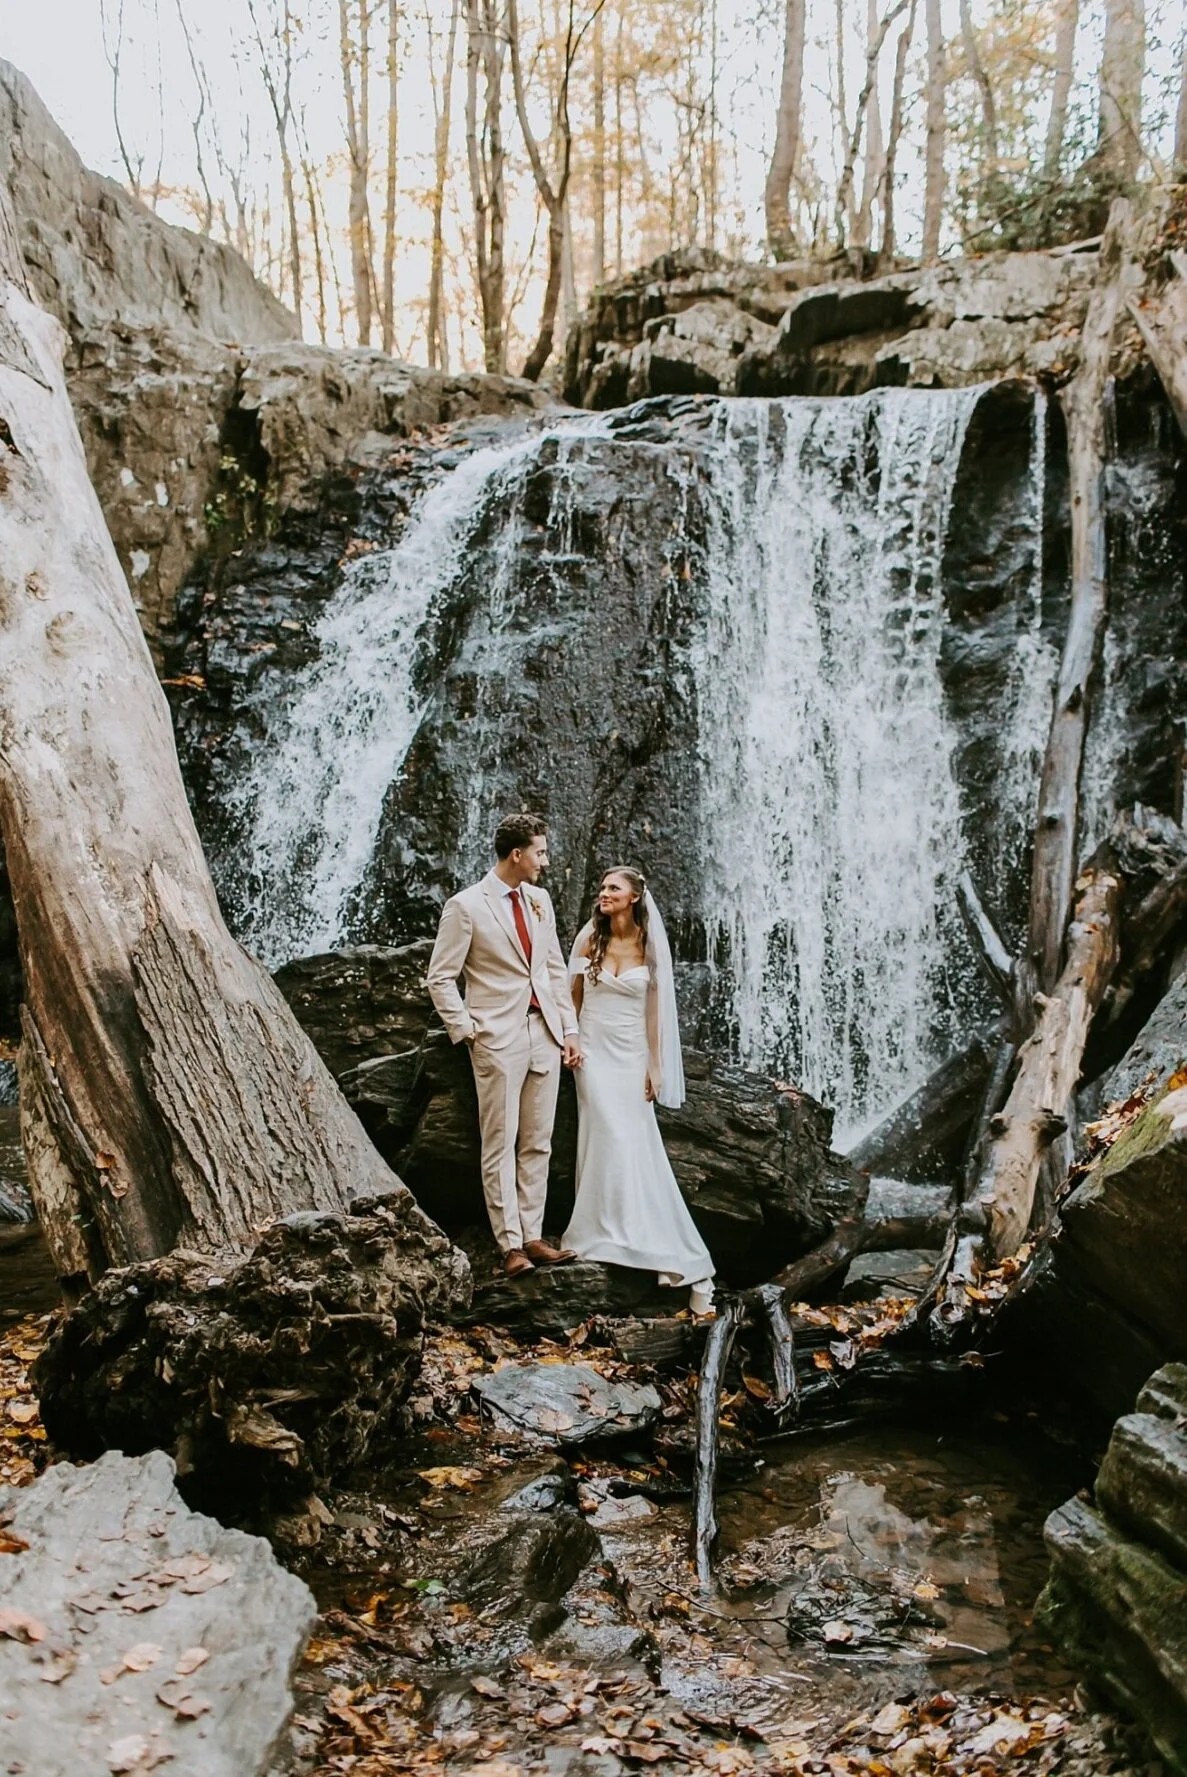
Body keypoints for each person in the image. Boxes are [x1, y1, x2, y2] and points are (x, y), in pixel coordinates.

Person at [426, 813, 582, 1278]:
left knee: (538, 1142)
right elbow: (440, 977)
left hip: (544, 1034)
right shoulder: (465, 906)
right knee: (499, 1141)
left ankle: (533, 1236)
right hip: (496, 1037)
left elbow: (553, 969)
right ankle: (509, 1244)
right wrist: (467, 1029)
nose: (545, 861)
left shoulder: (539, 900)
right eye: (540, 852)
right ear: (517, 854)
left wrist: (569, 1030)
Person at [562, 866, 715, 1316]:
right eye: (603, 887)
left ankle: (664, 1245)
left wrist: (655, 1064)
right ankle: (599, 1231)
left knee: (635, 1141)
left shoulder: (649, 944)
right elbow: (572, 994)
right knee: (604, 1134)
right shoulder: (590, 937)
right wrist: (571, 1038)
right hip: (592, 1051)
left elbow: (653, 1008)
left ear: (633, 897)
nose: (604, 893)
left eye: (614, 887)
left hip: (630, 1053)